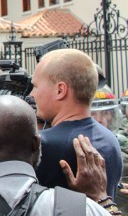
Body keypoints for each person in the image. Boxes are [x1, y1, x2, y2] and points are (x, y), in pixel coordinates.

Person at [31, 49, 123, 198]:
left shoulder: (43, 144)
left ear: (60, 90)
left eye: (35, 86)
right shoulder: (111, 140)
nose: (32, 94)